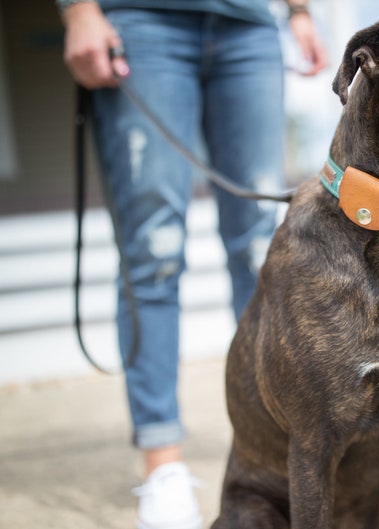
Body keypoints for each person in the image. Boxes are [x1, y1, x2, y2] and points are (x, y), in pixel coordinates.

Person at [57, 1, 327, 528]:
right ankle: (163, 469)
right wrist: (78, 10)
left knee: (259, 249)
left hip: (249, 25)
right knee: (154, 249)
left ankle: (273, 451)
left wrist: (298, 9)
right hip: (140, 21)